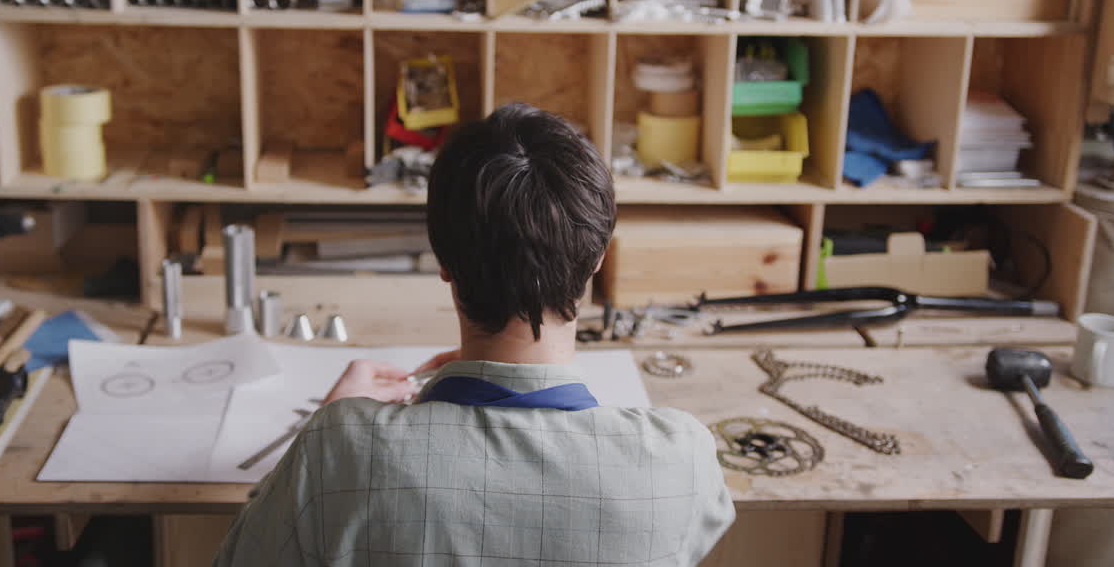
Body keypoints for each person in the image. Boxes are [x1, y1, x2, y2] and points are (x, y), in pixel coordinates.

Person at [215, 103, 734, 566]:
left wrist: (325, 429)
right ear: (597, 255)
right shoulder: (678, 458)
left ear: (442, 260)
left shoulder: (337, 451)